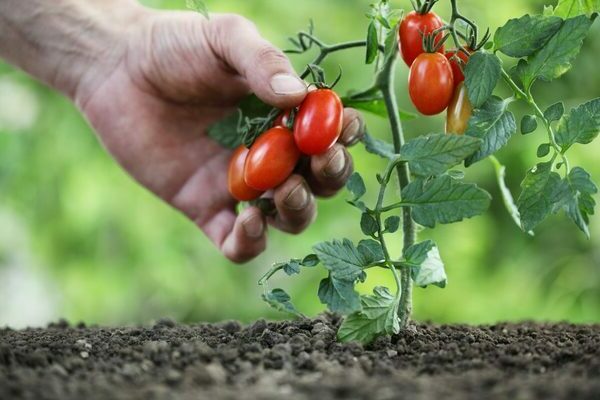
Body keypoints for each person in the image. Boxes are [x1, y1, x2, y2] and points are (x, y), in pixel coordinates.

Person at [0, 0, 365, 263]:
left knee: (297, 176)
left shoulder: (281, 135)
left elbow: (300, 143)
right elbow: (287, 150)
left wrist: (111, 52)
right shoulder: (280, 134)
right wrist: (114, 52)